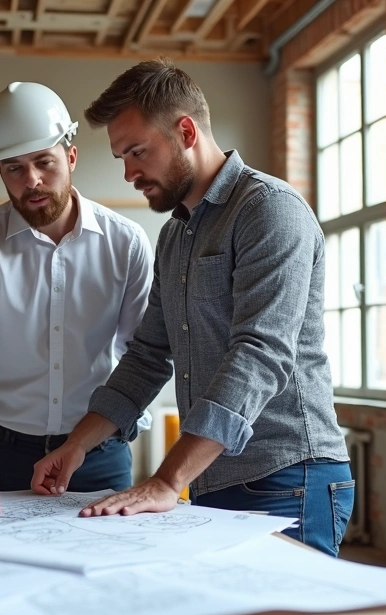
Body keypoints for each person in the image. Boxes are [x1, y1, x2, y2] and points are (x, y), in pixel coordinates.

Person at [30, 59, 354, 557]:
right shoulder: (175, 235)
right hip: (210, 478)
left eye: (137, 151)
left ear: (185, 131)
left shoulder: (270, 210)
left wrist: (165, 480)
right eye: (121, 157)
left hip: (288, 476)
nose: (129, 172)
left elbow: (260, 355)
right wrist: (78, 444)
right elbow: (146, 356)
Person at [0, 81, 154, 499]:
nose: (31, 180)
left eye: (43, 162)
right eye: (13, 167)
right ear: (0, 172)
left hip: (97, 450)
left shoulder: (126, 242)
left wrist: (100, 431)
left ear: (71, 157)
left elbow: (142, 352)